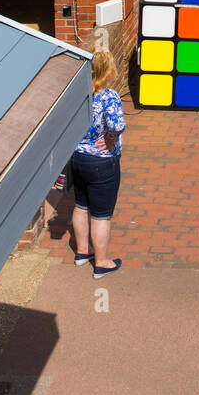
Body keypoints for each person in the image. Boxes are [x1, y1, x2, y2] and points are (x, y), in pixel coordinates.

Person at [71, 46, 125, 279]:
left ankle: (83, 252)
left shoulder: (77, 91)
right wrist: (111, 139)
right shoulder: (108, 95)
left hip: (78, 158)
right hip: (102, 163)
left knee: (81, 205)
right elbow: (117, 125)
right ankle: (102, 262)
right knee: (101, 214)